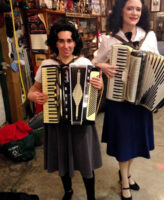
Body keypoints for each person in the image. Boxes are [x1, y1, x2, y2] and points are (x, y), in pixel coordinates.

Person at [92, 0, 164, 199]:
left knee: (135, 142)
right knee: (124, 142)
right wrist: (102, 66)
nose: (134, 12)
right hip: (118, 101)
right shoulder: (109, 40)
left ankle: (126, 174)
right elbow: (93, 61)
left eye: (138, 9)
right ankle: (124, 181)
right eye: (129, 8)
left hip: (141, 101)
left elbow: (159, 67)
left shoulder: (149, 36)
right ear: (120, 11)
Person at [28, 18, 103, 200]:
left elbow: (95, 97)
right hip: (57, 122)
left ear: (75, 42)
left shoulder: (85, 63)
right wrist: (32, 96)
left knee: (86, 162)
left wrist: (100, 86)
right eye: (61, 40)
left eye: (69, 40)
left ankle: (91, 196)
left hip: (81, 122)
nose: (66, 45)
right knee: (62, 160)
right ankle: (68, 191)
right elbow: (33, 90)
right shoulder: (47, 66)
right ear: (55, 42)